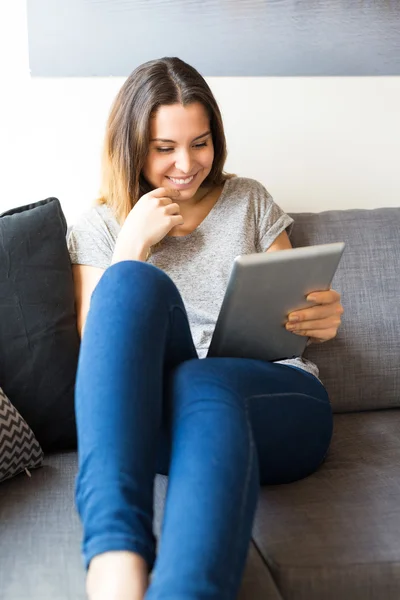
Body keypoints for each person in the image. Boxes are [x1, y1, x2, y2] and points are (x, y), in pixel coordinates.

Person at [68, 57, 344, 600]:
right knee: (130, 287)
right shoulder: (98, 225)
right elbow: (100, 357)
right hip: (166, 421)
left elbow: (292, 307)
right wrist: (132, 246)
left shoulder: (249, 200)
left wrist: (322, 320)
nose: (186, 164)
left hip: (278, 403)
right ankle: (115, 564)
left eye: (200, 142)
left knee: (206, 380)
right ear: (131, 146)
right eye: (164, 148)